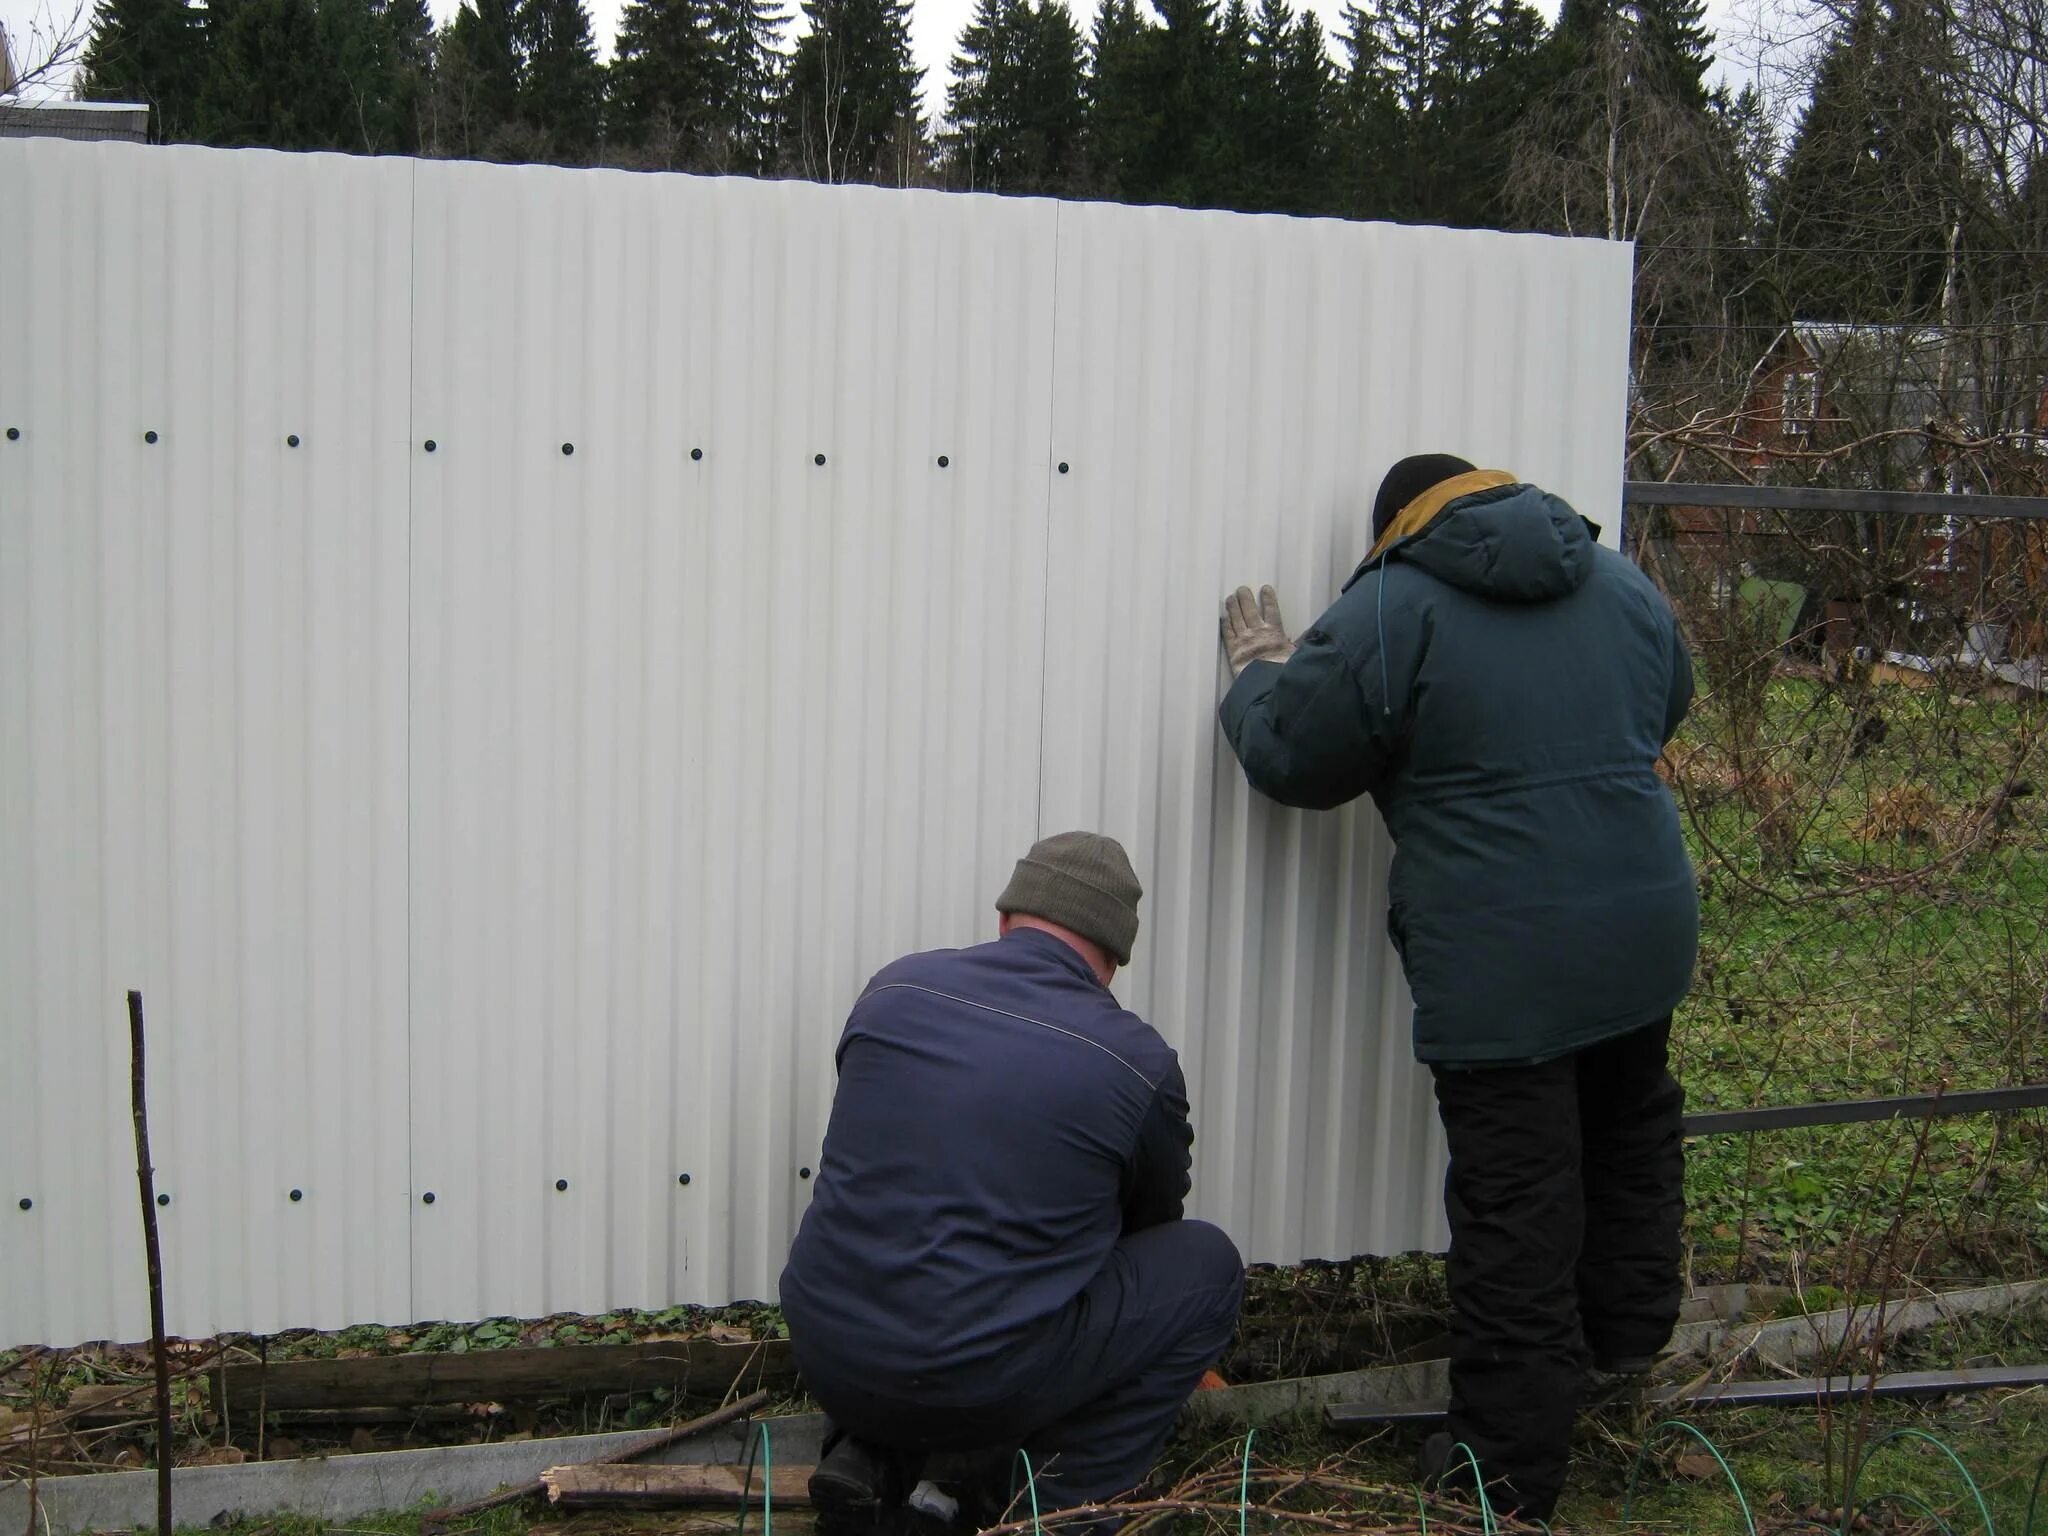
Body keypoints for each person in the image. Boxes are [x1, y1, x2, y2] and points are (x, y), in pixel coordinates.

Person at [1216, 456, 1698, 1521]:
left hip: (1505, 956)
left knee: (1516, 1208)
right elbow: (1669, 698)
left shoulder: (1390, 608)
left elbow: (1293, 758)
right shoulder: (1615, 581)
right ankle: (1621, 1356)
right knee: (1628, 1138)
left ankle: (1507, 1470)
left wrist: (1259, 670)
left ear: (1400, 524)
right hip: (1642, 922)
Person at [780, 831, 1244, 1524]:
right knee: (1207, 1268)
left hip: (825, 1349)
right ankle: (1056, 1510)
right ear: (1113, 959)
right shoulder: (1133, 1061)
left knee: (910, 1230)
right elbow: (1151, 1221)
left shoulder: (894, 987)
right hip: (972, 1381)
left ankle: (877, 1459)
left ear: (1005, 919)